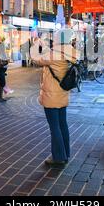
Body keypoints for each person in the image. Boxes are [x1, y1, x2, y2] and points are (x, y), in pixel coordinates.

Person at [30, 29, 79, 168]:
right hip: (63, 93)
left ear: (57, 38)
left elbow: (37, 59)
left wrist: (35, 45)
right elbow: (50, 54)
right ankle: (65, 153)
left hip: (51, 95)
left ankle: (58, 157)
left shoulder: (54, 53)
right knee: (62, 124)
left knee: (54, 126)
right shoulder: (70, 51)